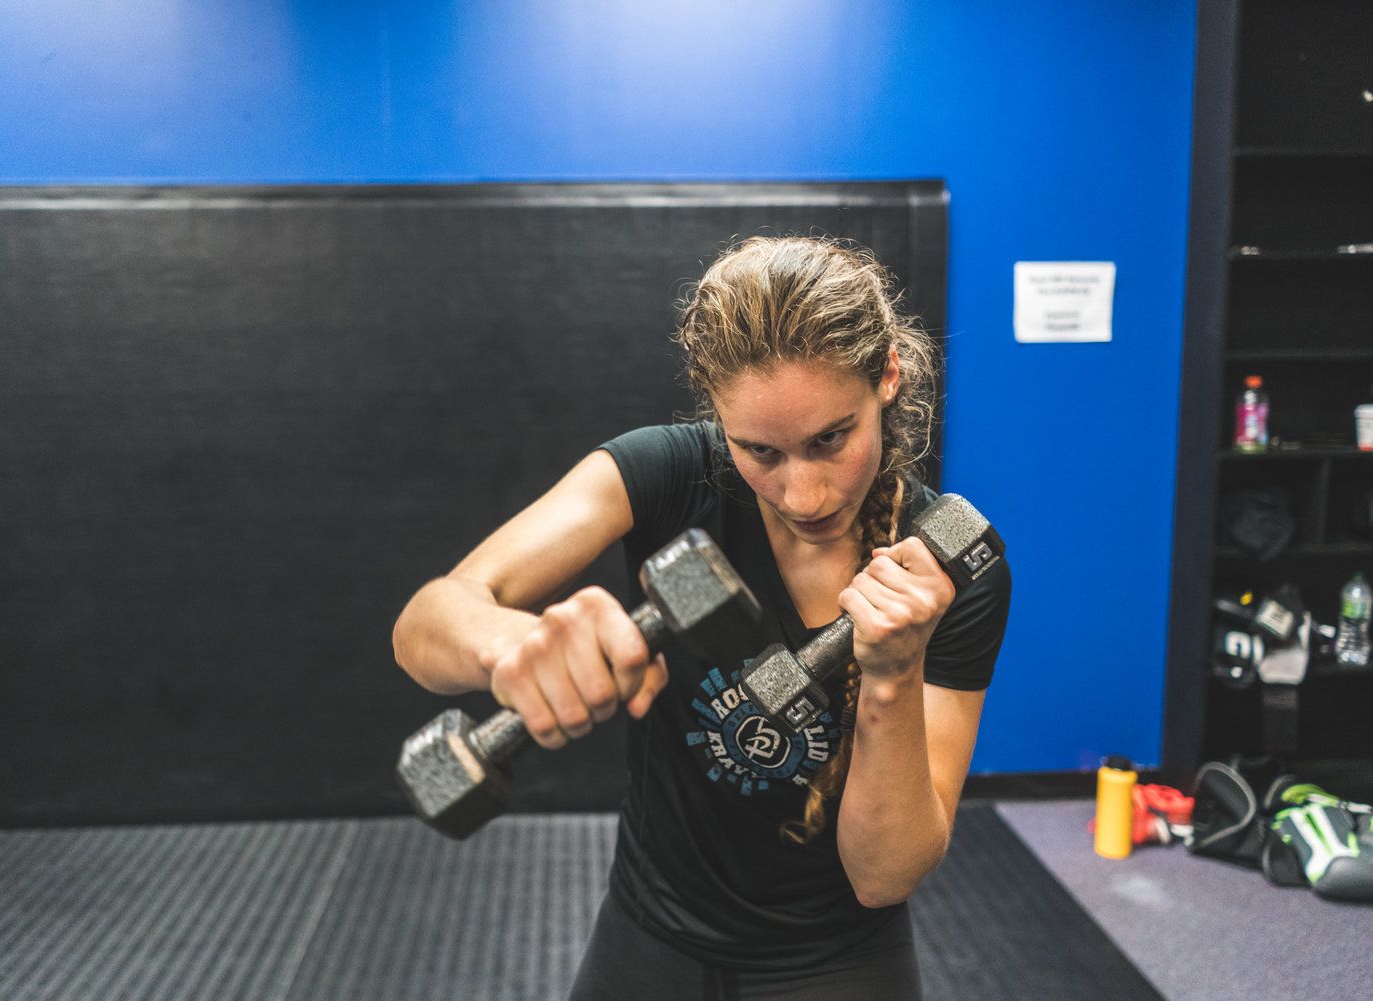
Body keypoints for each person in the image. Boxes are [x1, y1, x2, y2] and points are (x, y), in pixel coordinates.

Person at [391, 235, 1011, 1000]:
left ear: (886, 373)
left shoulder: (943, 569)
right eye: (760, 450)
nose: (804, 495)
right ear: (717, 414)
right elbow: (425, 625)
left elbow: (884, 874)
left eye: (830, 439)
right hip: (650, 930)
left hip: (838, 955)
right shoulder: (668, 474)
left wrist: (891, 672)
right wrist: (515, 646)